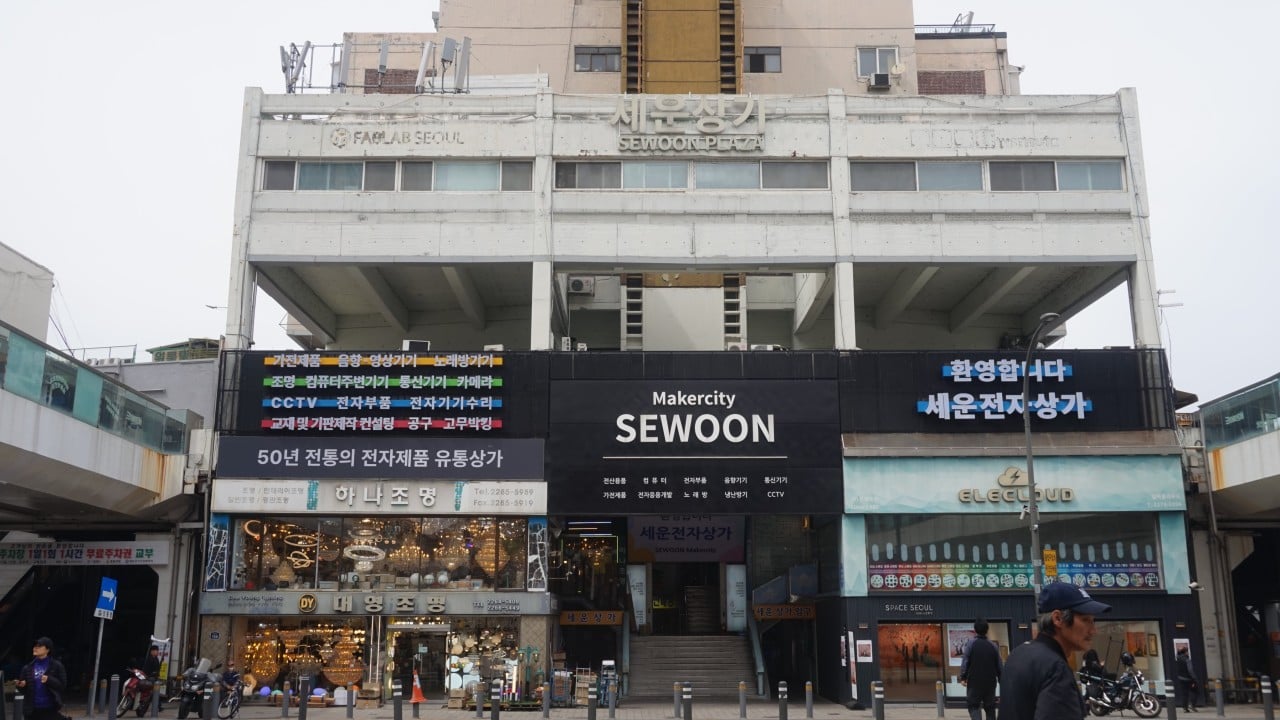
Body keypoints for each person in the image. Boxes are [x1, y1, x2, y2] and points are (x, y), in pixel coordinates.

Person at [997, 582, 1111, 720]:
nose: (1093, 630)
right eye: (1086, 620)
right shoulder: (1055, 668)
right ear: (1058, 618)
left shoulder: (1018, 654)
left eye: (1093, 621)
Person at [14, 637, 67, 720]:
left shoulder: (57, 666)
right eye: (34, 646)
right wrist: (21, 685)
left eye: (39, 646)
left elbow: (62, 686)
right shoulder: (27, 667)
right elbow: (23, 691)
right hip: (32, 710)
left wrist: (49, 680)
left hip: (50, 709)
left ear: (47, 649)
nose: (35, 648)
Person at [960, 619, 1003, 720]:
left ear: (975, 630)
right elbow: (999, 666)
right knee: (990, 708)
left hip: (974, 682)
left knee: (973, 706)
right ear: (987, 630)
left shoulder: (971, 644)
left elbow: (965, 662)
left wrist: (963, 677)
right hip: (990, 682)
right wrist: (1002, 681)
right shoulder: (993, 646)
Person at [1175, 647, 1199, 712]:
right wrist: (1194, 678)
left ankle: (1185, 708)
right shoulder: (1187, 659)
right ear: (1185, 652)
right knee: (1195, 691)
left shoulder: (1178, 658)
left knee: (1184, 694)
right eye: (1187, 651)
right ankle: (1192, 705)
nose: (1188, 653)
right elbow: (1190, 670)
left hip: (1181, 678)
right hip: (1188, 679)